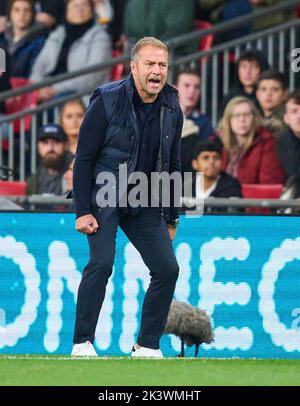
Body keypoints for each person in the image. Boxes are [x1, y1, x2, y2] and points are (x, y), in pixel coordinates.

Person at [70, 37, 183, 358]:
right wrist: (82, 211)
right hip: (104, 195)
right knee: (101, 263)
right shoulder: (106, 99)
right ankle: (82, 342)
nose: (157, 71)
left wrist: (172, 215)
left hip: (145, 199)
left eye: (162, 65)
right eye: (149, 64)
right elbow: (85, 158)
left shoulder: (173, 106)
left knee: (167, 269)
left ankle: (147, 345)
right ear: (133, 67)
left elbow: (174, 164)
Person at [30, 0, 111, 103]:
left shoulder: (100, 36)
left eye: (84, 5)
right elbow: (39, 65)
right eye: (75, 5)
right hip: (47, 92)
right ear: (66, 10)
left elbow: (93, 76)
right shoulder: (58, 34)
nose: (79, 9)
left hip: (81, 95)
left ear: (92, 10)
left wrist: (54, 90)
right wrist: (37, 89)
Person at [218, 96, 285, 185]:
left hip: (252, 198)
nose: (242, 120)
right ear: (228, 120)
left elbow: (269, 184)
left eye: (247, 115)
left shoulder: (267, 143)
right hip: (219, 197)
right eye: (236, 115)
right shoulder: (217, 143)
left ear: (254, 118)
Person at [123, 0, 197, 56]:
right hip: (141, 60)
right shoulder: (134, 4)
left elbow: (177, 30)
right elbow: (129, 36)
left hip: (178, 58)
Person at [184, 140, 242, 207]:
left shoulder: (232, 186)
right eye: (206, 158)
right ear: (195, 164)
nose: (211, 162)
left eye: (216, 158)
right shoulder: (186, 185)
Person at [0, 0, 47, 78]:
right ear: (10, 14)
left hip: (25, 87)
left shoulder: (41, 42)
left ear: (33, 14)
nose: (22, 15)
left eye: (27, 10)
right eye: (17, 10)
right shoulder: (2, 41)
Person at [26, 124, 73, 195]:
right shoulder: (33, 180)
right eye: (45, 143)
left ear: (66, 145)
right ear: (38, 147)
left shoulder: (77, 172)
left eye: (56, 142)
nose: (50, 148)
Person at [220, 50, 269, 116]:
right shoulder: (230, 97)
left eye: (254, 67)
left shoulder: (268, 96)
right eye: (244, 67)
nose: (248, 72)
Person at [277, 90, 300, 198]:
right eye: (294, 111)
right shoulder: (283, 141)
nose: (299, 116)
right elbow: (293, 172)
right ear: (286, 118)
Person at [255, 70, 288, 138]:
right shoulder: (252, 117)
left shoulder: (290, 119)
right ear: (257, 94)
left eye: (275, 90)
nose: (268, 94)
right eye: (264, 89)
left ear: (285, 94)